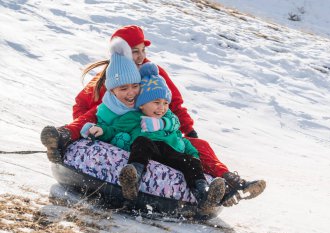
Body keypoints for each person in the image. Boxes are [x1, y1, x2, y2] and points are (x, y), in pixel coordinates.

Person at [40, 25, 265, 206]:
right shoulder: (113, 74)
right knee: (94, 113)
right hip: (122, 128)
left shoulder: (154, 73)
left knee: (198, 146)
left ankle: (232, 182)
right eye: (133, 51)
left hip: (157, 129)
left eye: (142, 50)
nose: (139, 56)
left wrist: (188, 130)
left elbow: (174, 103)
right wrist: (85, 132)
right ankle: (62, 137)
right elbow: (84, 103)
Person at [83, 59, 226, 210]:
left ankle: (204, 195)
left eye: (165, 103)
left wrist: (194, 156)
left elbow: (182, 140)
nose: (162, 108)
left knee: (191, 162)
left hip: (171, 154)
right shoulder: (133, 118)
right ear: (142, 104)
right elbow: (114, 129)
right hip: (149, 151)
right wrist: (101, 130)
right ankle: (132, 179)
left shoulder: (168, 121)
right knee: (142, 142)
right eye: (156, 102)